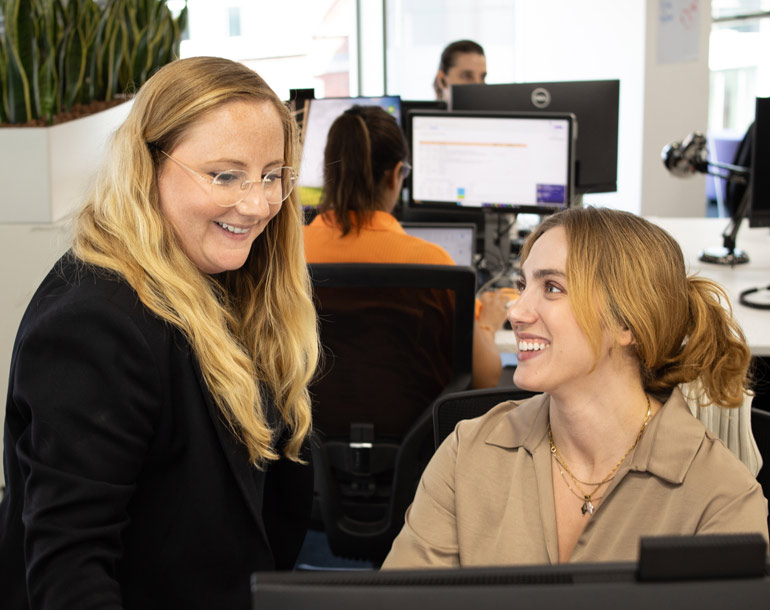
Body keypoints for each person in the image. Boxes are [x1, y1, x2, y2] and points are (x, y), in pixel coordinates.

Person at [0, 56, 319, 609]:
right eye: (226, 175)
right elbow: (69, 574)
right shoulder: (94, 326)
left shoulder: (221, 280)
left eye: (272, 175)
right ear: (147, 167)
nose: (259, 203)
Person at [382, 205, 769, 568]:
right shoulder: (467, 453)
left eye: (552, 287)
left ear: (626, 325)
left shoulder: (721, 498)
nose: (516, 311)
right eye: (523, 284)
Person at [303, 104, 510, 392]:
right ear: (396, 174)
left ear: (328, 170)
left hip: (308, 430)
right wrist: (487, 325)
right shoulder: (431, 263)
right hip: (419, 435)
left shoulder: (288, 253)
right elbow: (484, 377)